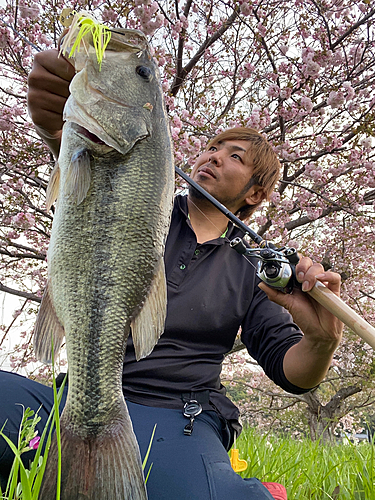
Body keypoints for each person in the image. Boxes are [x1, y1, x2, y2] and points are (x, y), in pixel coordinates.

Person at [0, 48, 343, 500]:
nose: (214, 156)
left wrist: (320, 342)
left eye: (234, 156)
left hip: (179, 416)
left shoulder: (254, 267)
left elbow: (291, 371)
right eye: (211, 147)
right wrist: (59, 131)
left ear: (255, 193)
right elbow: (90, 186)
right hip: (77, 398)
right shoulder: (142, 204)